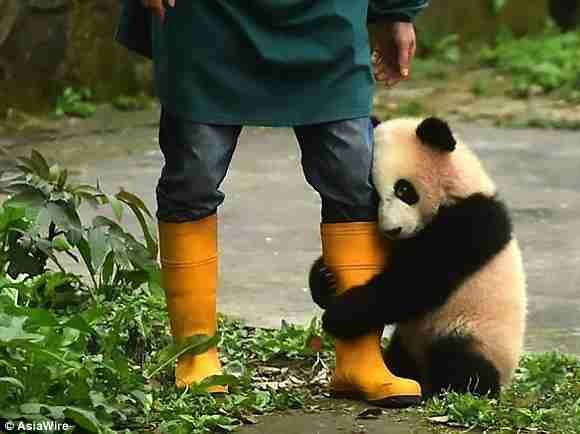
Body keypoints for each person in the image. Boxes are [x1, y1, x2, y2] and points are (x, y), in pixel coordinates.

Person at [116, 0, 429, 406]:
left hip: (325, 17)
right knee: (193, 179)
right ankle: (195, 354)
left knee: (352, 176)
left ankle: (359, 356)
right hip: (206, 21)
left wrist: (396, 10)